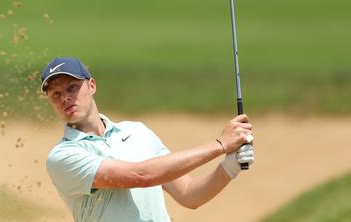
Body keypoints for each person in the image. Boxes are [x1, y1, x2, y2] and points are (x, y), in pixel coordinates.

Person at [42, 57, 255, 222]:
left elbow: (190, 195)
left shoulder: (138, 132)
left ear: (92, 86)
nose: (65, 98)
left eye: (72, 87)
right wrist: (220, 145)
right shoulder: (63, 156)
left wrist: (229, 167)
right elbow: (141, 176)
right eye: (55, 94)